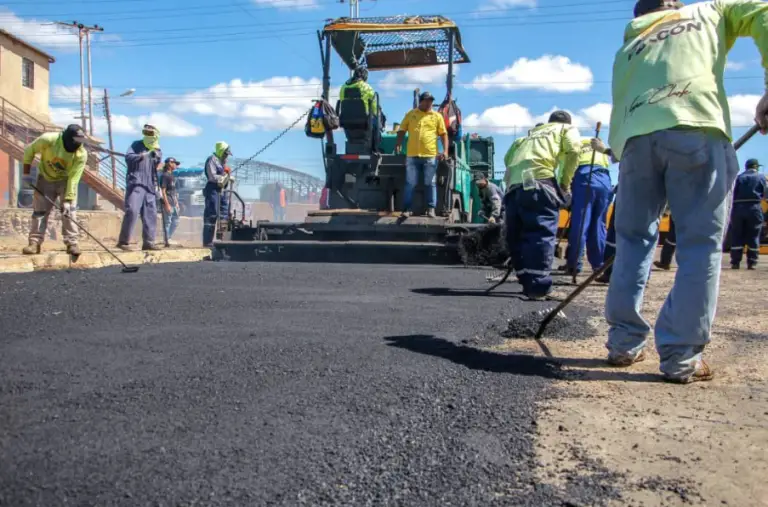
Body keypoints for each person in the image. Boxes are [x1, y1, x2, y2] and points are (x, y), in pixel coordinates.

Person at [602, 0, 768, 383]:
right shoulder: (711, 10)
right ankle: (680, 355)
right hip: (695, 127)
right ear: (674, 4)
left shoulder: (631, 41)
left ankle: (623, 343)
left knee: (632, 240)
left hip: (634, 142)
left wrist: (624, 150)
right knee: (698, 244)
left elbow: (619, 102)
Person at [502, 111, 581, 299]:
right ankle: (538, 287)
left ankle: (526, 280)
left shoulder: (526, 138)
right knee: (540, 233)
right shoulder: (565, 129)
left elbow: (507, 159)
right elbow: (574, 150)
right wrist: (564, 183)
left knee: (517, 235)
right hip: (539, 182)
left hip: (514, 187)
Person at [21, 124, 88, 256]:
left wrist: (68, 199)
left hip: (66, 181)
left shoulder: (81, 154)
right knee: (39, 212)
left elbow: (74, 178)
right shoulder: (49, 140)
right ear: (67, 139)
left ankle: (72, 243)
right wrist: (26, 174)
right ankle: (34, 243)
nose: (78, 145)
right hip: (45, 178)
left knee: (69, 212)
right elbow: (29, 151)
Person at [562, 137, 615, 275]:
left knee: (580, 224)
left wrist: (565, 186)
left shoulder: (571, 145)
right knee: (599, 224)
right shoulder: (598, 144)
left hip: (584, 177)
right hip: (604, 180)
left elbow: (567, 169)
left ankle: (574, 264)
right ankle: (598, 265)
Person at [395, 91, 449, 218]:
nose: (429, 103)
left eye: (431, 100)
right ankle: (407, 209)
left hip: (430, 155)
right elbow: (402, 130)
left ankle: (431, 209)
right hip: (412, 155)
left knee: (430, 182)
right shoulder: (411, 114)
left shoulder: (437, 116)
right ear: (421, 101)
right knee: (410, 183)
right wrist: (398, 143)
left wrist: (445, 151)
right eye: (427, 100)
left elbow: (443, 134)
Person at [117, 125, 163, 251]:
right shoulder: (136, 145)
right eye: (146, 133)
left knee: (150, 213)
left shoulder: (157, 149)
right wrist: (143, 155)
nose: (148, 136)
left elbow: (157, 164)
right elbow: (128, 157)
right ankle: (123, 241)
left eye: (151, 133)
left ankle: (149, 242)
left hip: (150, 185)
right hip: (136, 181)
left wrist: (155, 155)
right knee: (132, 210)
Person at [729, 158, 767, 269]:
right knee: (753, 235)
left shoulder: (738, 178)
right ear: (756, 167)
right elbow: (766, 194)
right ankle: (752, 263)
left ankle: (735, 262)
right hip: (754, 208)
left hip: (738, 208)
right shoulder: (761, 177)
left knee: (737, 235)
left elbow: (732, 194)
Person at [202, 141, 232, 247]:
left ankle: (223, 239)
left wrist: (228, 175)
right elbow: (212, 176)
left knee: (224, 212)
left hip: (222, 190)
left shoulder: (221, 162)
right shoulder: (212, 160)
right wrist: (223, 176)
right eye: (225, 153)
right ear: (221, 151)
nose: (226, 156)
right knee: (211, 214)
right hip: (212, 190)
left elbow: (223, 177)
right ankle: (207, 241)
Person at [160, 157, 181, 244]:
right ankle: (167, 240)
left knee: (176, 220)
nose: (176, 165)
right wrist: (166, 204)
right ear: (169, 163)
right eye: (174, 163)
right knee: (167, 221)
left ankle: (169, 237)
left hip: (173, 201)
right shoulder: (165, 175)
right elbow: (163, 191)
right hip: (167, 201)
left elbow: (173, 191)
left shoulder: (172, 176)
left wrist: (176, 202)